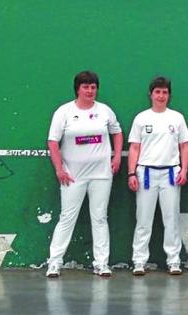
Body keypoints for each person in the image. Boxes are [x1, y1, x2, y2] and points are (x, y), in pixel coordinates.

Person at [45, 70, 123, 278]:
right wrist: (59, 169)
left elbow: (117, 132)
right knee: (67, 218)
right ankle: (54, 262)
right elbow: (53, 142)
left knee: (99, 218)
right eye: (86, 87)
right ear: (77, 89)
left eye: (93, 87)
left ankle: (101, 263)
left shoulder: (105, 111)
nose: (90, 91)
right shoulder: (64, 112)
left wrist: (116, 157)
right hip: (73, 176)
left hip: (101, 174)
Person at [127, 76, 188, 276]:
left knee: (171, 220)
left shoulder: (177, 118)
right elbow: (135, 148)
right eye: (157, 92)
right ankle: (139, 261)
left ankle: (173, 261)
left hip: (171, 173)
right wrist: (131, 173)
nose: (161, 96)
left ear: (169, 95)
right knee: (143, 219)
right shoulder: (141, 118)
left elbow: (184, 146)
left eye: (164, 92)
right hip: (145, 173)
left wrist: (185, 170)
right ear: (151, 94)